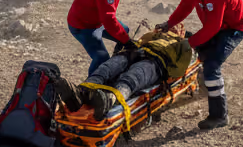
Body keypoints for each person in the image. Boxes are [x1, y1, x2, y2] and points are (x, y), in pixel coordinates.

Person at [156, 0, 243, 130]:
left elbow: (213, 28)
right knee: (202, 49)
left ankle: (219, 116)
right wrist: (169, 23)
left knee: (212, 65)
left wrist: (189, 43)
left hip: (233, 28)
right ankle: (207, 85)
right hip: (219, 25)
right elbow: (185, 6)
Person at [56, 23, 194, 115]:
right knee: (107, 68)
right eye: (172, 24)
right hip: (135, 53)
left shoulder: (183, 44)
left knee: (133, 77)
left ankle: (110, 100)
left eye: (179, 26)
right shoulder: (154, 35)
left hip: (156, 62)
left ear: (182, 32)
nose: (174, 26)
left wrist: (166, 74)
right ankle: (80, 93)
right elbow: (139, 42)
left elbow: (181, 68)